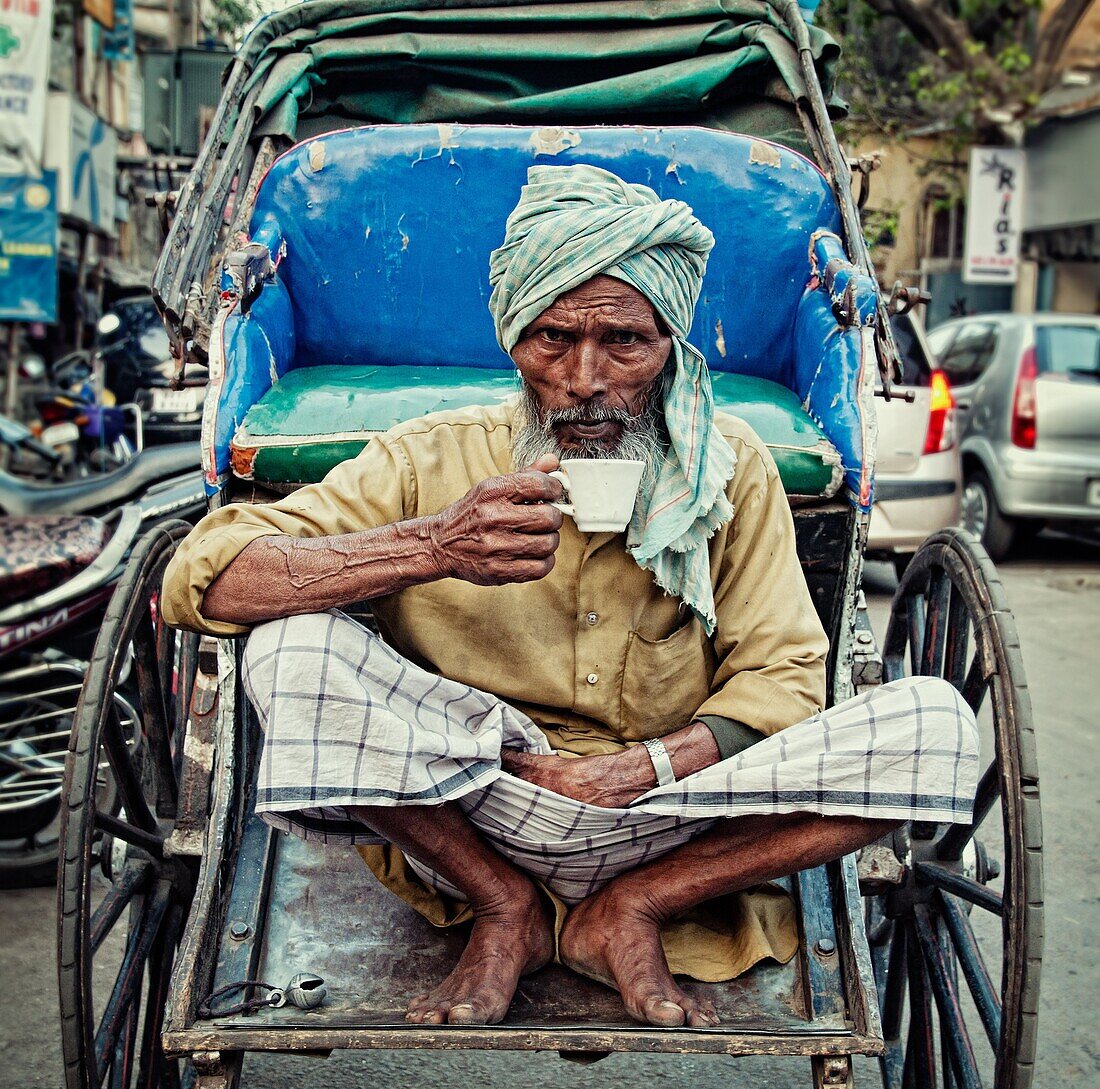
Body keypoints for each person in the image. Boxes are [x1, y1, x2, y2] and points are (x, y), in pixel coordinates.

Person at [162, 164, 978, 1031]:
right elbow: (202, 577)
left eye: (625, 342)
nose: (586, 379)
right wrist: (431, 545)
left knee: (936, 729)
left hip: (670, 810)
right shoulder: (425, 458)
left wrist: (645, 768)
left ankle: (635, 907)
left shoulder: (730, 466)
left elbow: (783, 674)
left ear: (671, 343)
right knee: (289, 650)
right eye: (552, 339)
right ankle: (503, 906)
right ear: (513, 340)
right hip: (471, 801)